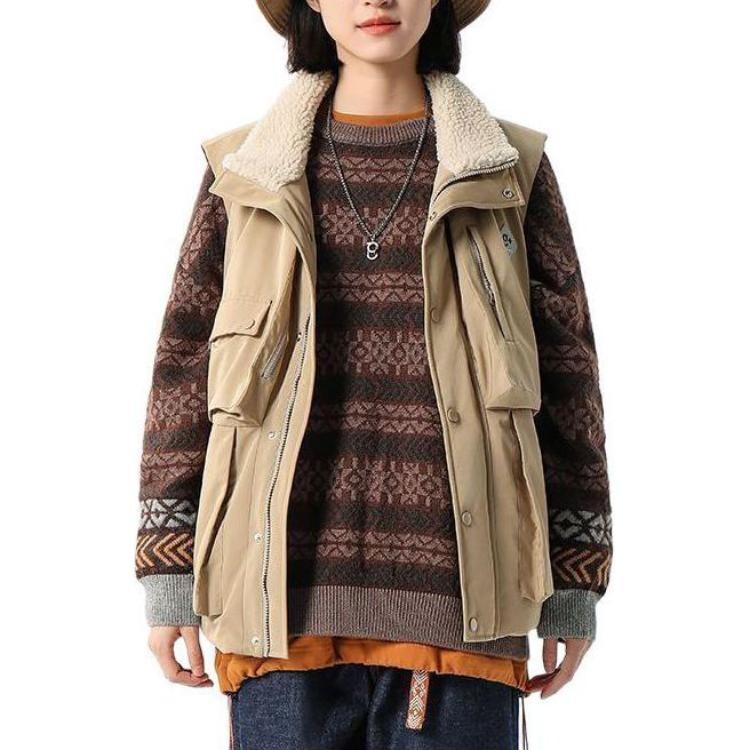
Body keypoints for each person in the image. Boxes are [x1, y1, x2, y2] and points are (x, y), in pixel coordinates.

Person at [136, 0, 613, 747]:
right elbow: (183, 369)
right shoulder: (242, 174)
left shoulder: (508, 172)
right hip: (276, 612)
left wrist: (576, 579)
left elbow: (569, 377)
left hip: (467, 614)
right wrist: (167, 573)